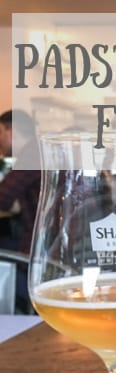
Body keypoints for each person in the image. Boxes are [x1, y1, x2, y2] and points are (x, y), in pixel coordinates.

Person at [0, 109, 41, 310]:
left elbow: (2, 197)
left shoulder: (32, 154)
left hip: (39, 256)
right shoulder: (40, 151)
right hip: (50, 251)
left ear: (11, 131)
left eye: (0, 133)